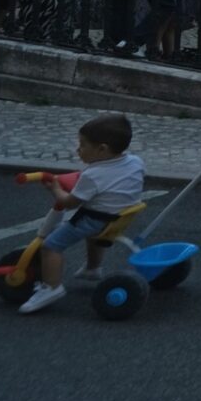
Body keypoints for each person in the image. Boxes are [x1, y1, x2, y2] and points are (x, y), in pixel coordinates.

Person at [16, 114, 146, 315]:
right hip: (119, 216)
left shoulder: (92, 175)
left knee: (51, 245)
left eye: (83, 145)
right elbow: (112, 181)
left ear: (102, 149)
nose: (78, 150)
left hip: (95, 219)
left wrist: (55, 188)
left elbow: (69, 203)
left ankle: (51, 288)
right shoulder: (135, 162)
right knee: (93, 236)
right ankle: (92, 268)